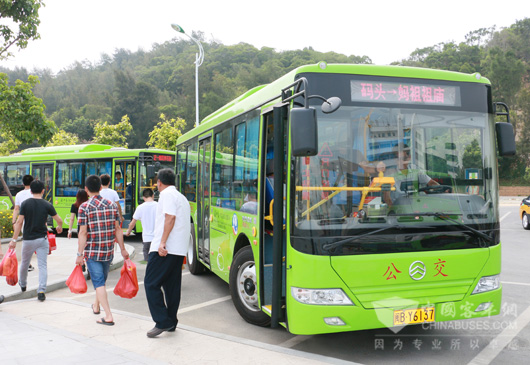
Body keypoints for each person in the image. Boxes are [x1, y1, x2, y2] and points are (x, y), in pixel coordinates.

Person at [75, 175, 129, 326]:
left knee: (99, 283)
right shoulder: (112, 205)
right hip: (108, 251)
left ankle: (109, 315)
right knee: (101, 282)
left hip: (92, 252)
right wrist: (123, 249)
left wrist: (79, 254)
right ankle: (96, 306)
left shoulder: (84, 207)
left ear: (86, 189)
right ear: (100, 188)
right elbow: (118, 229)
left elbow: (83, 233)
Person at [144, 168, 190, 338]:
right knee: (172, 287)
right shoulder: (182, 197)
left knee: (150, 283)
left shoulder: (166, 195)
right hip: (178, 250)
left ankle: (162, 321)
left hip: (165, 248)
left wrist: (162, 242)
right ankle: (171, 321)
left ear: (159, 183)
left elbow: (170, 218)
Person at [9, 180, 63, 301]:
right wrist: (59, 227)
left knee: (24, 263)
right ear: (43, 191)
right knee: (42, 265)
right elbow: (59, 219)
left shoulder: (25, 204)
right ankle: (42, 290)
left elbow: (19, 222)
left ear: (31, 191)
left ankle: (23, 284)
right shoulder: (47, 204)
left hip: (28, 240)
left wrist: (14, 239)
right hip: (42, 240)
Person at [125, 188, 157, 263]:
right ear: (153, 195)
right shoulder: (159, 206)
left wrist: (128, 232)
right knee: (157, 262)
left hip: (146, 239)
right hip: (157, 239)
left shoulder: (140, 207)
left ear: (143, 197)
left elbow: (132, 223)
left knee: (148, 262)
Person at [12, 174, 35, 272]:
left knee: (26, 242)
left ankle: (27, 264)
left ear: (23, 183)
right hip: (35, 220)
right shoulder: (35, 193)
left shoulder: (19, 194)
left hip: (23, 221)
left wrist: (14, 221)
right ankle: (28, 264)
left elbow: (16, 209)